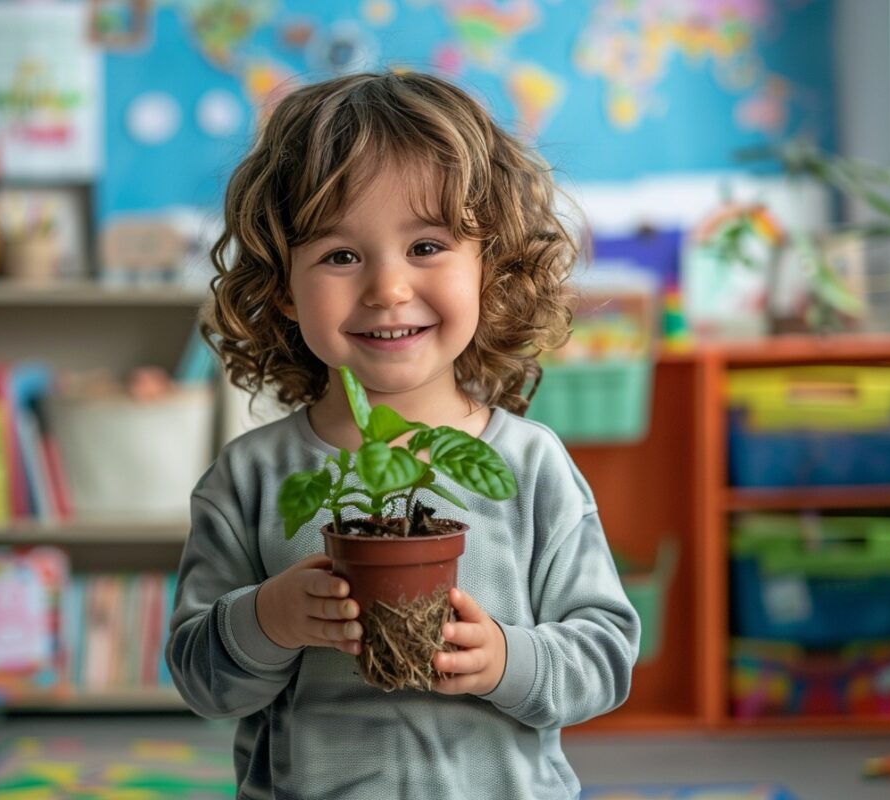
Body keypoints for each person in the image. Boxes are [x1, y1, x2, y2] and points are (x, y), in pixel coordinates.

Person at [168, 70, 640, 799]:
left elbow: (605, 656)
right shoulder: (250, 479)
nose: (387, 288)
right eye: (341, 256)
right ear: (282, 287)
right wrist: (267, 618)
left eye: (426, 246)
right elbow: (203, 681)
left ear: (491, 267)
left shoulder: (532, 466)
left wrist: (507, 660)